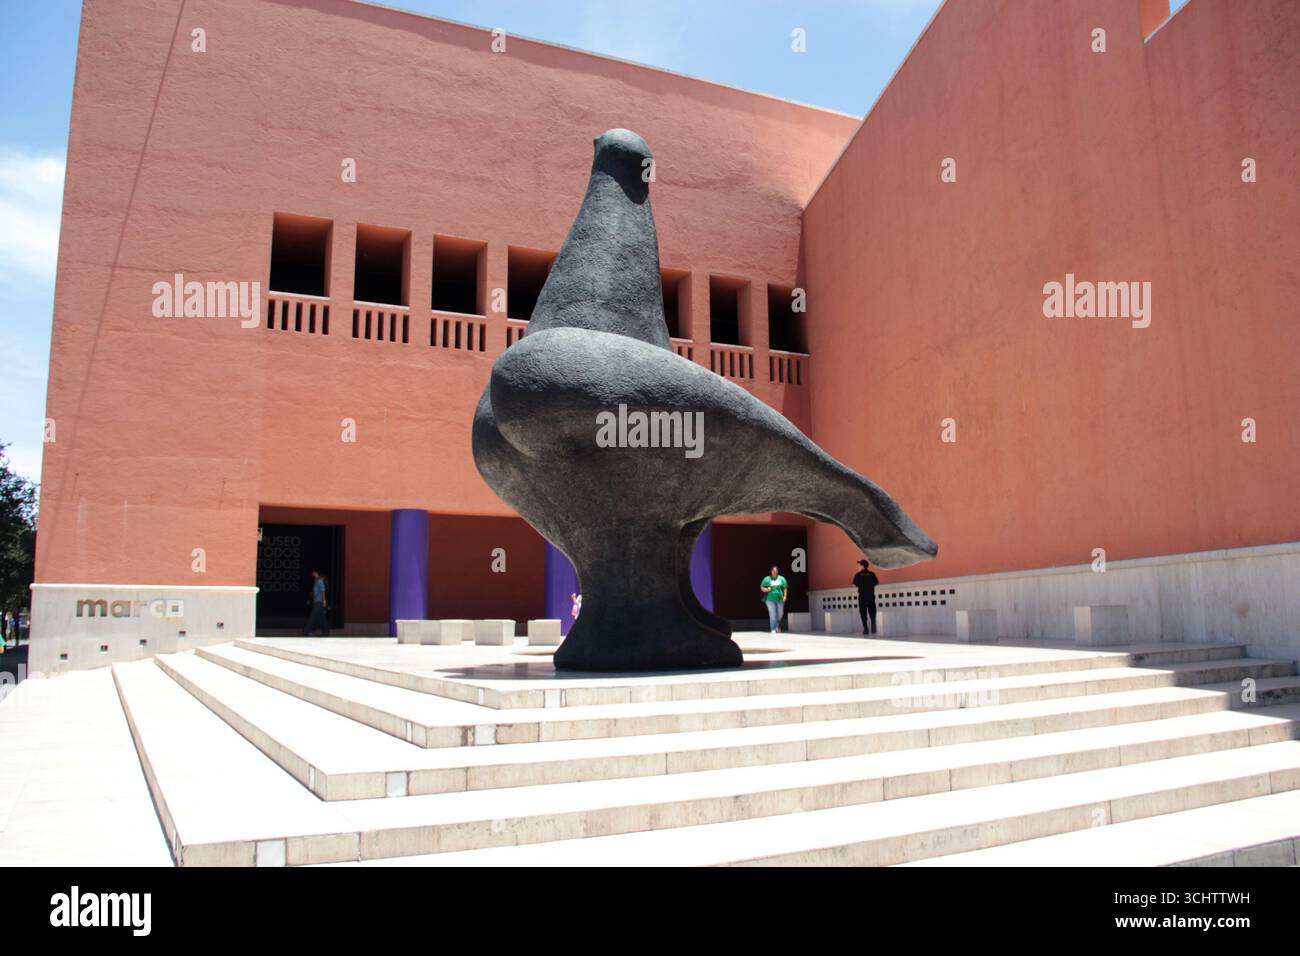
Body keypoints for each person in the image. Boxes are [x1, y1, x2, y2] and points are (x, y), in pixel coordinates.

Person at [853, 559, 880, 635]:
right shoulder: (872, 574)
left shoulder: (858, 575)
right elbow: (877, 583)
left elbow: (854, 584)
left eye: (859, 565)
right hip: (871, 596)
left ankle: (865, 629)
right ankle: (873, 626)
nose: (858, 566)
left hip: (862, 597)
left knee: (863, 613)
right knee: (872, 612)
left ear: (862, 566)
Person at [760, 565, 788, 634]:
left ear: (777, 571)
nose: (775, 572)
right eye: (773, 571)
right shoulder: (767, 579)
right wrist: (767, 589)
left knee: (780, 613)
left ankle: (777, 626)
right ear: (771, 571)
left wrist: (785, 596)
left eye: (776, 571)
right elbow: (761, 587)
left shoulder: (781, 578)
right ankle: (773, 628)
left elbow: (785, 587)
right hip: (770, 600)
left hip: (780, 599)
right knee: (773, 614)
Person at [304, 568, 330, 637]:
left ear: (316, 572)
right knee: (322, 618)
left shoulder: (319, 580)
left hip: (319, 602)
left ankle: (307, 631)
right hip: (317, 601)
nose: (312, 574)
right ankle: (325, 632)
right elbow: (317, 591)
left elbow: (323, 591)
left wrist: (324, 601)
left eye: (313, 572)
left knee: (312, 617)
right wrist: (312, 594)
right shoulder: (316, 581)